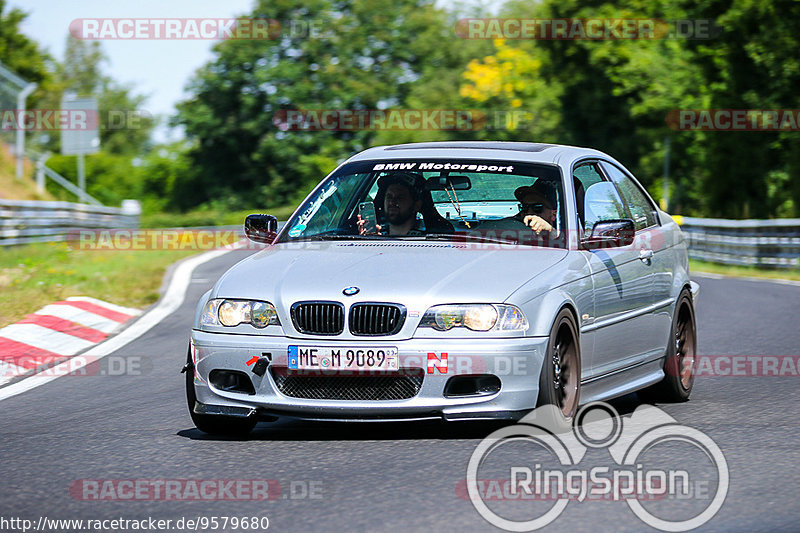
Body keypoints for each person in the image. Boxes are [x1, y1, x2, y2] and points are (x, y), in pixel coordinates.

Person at [480, 181, 558, 237]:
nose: (529, 212)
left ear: (554, 214)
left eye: (537, 208)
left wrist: (551, 231)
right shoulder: (512, 225)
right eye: (525, 207)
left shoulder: (564, 230)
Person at [357, 172, 426, 236]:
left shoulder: (429, 241)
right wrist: (369, 240)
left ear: (417, 205)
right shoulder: (376, 236)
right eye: (389, 197)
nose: (392, 202)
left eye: (400, 197)